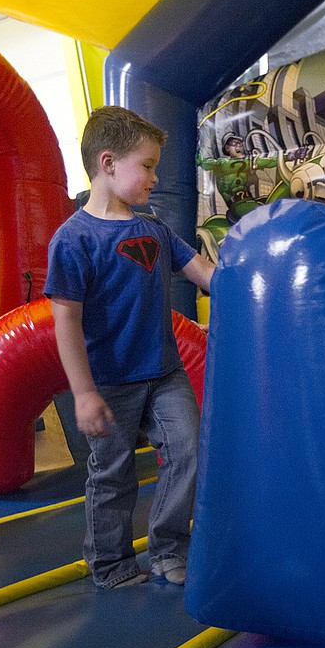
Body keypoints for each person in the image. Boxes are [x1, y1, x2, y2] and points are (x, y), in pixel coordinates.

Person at [46, 106, 215, 589]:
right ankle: (112, 564)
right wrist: (83, 393)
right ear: (108, 163)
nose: (155, 177)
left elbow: (202, 273)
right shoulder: (74, 239)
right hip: (108, 381)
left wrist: (252, 280)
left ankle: (166, 549)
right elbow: (66, 321)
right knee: (112, 475)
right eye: (147, 165)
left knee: (189, 451)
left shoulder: (154, 230)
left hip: (163, 372)